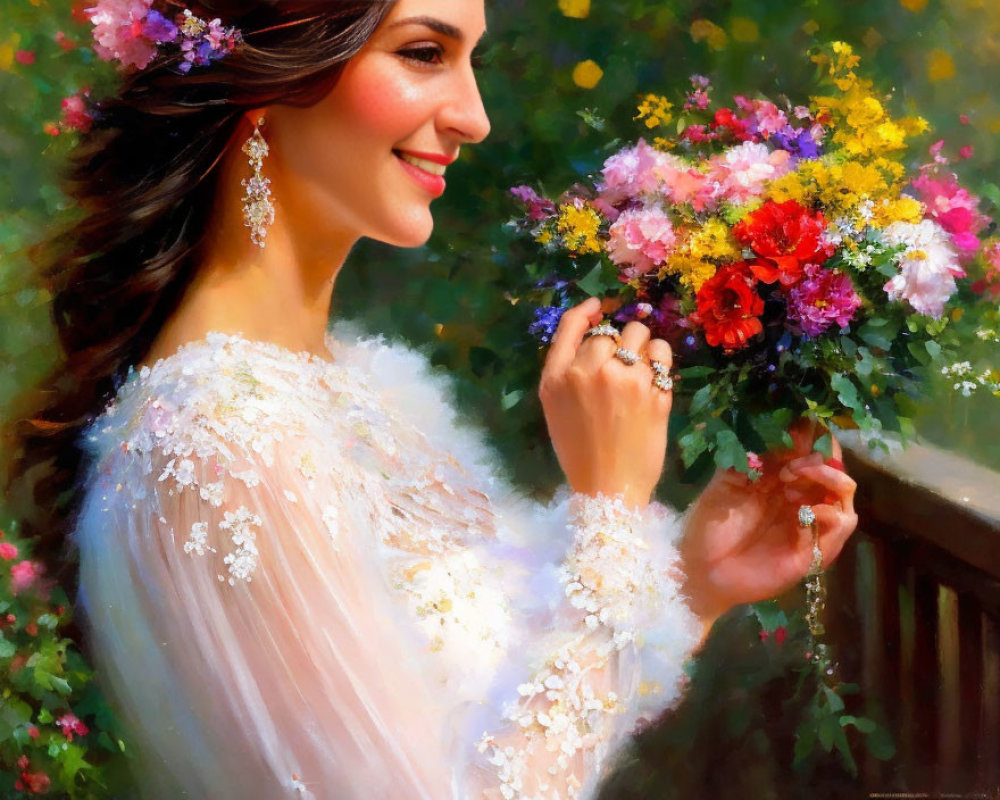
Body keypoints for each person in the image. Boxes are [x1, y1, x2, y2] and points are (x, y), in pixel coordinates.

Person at [3, 0, 858, 797]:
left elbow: (518, 727)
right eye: (423, 53)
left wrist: (690, 584)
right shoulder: (220, 435)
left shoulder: (366, 385)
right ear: (266, 83)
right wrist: (608, 509)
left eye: (470, 61)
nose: (473, 117)